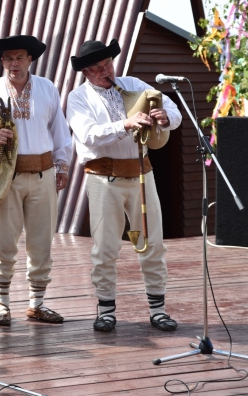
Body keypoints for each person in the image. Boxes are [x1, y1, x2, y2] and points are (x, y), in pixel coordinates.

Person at [66, 39, 181, 332]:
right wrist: (125, 125)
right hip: (103, 178)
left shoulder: (131, 83)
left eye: (108, 64)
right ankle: (106, 310)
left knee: (152, 243)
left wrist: (165, 117)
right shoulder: (78, 98)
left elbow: (170, 107)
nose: (106, 71)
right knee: (105, 248)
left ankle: (158, 310)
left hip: (143, 175)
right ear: (86, 73)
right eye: (97, 68)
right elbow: (89, 135)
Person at [0, 35, 72, 326]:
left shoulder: (47, 88)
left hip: (42, 174)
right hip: (6, 177)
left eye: (19, 57)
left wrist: (62, 165)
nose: (14, 63)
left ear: (30, 60)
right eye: (8, 58)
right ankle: (2, 305)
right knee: (3, 241)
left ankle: (37, 304)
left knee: (41, 241)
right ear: (2, 62)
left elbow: (60, 130)